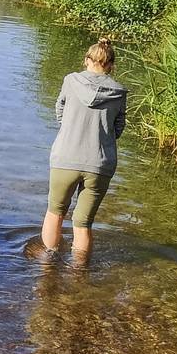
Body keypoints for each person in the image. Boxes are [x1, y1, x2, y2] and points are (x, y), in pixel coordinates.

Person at [35, 38, 127, 265]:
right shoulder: (119, 92)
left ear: (87, 60)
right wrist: (100, 139)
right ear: (111, 65)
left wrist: (71, 132)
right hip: (100, 164)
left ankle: (47, 268)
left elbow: (60, 111)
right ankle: (79, 275)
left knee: (55, 213)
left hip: (66, 158)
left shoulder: (70, 80)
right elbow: (118, 128)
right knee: (83, 223)